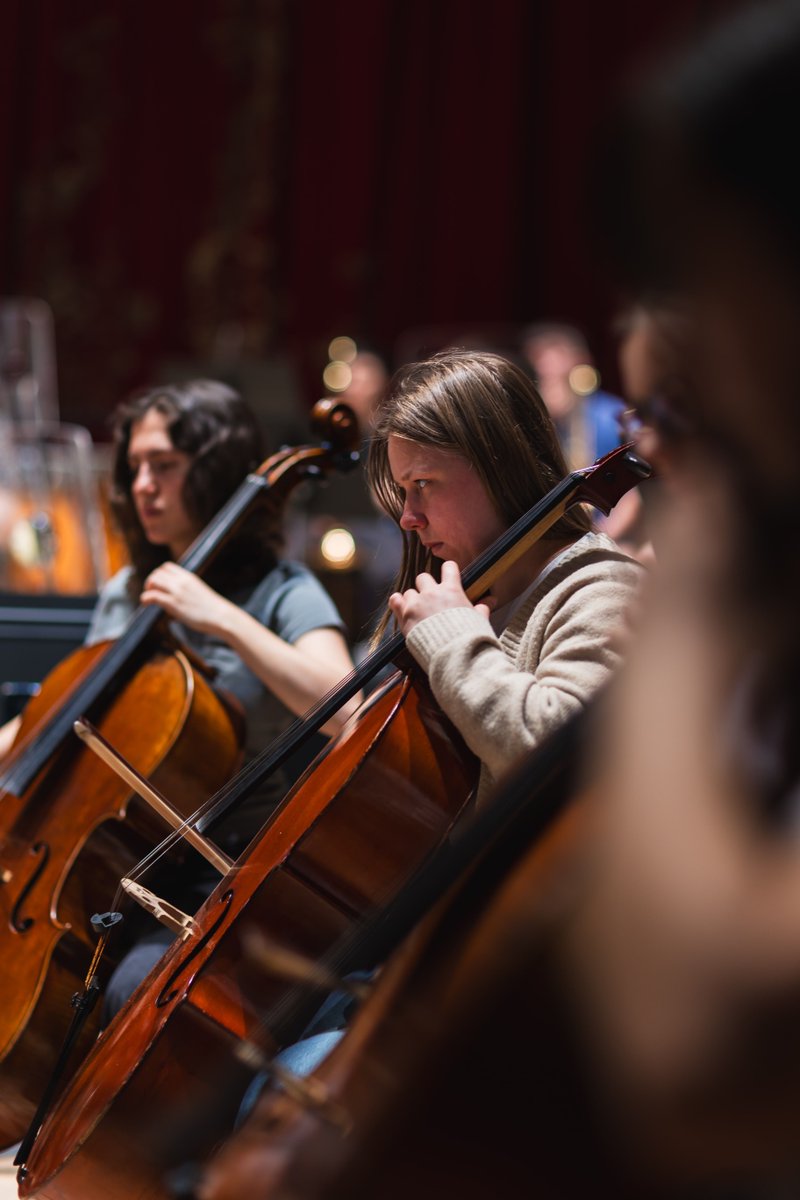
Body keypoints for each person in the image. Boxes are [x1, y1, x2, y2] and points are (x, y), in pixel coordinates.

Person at [1, 379, 360, 1012]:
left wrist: (222, 618)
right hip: (110, 868)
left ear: (215, 471)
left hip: (217, 874)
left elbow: (346, 709)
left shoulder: (283, 591)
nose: (143, 485)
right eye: (135, 466)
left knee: (129, 994)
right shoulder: (126, 592)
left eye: (163, 467)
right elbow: (57, 721)